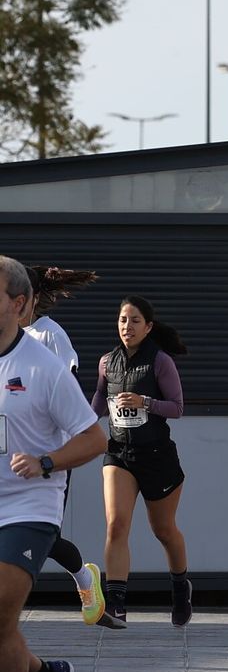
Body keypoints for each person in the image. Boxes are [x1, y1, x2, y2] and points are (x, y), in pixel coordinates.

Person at [0, 255, 108, 672]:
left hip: (28, 505)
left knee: (0, 614)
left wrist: (46, 461)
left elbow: (93, 438)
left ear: (18, 303)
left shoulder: (42, 366)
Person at [92, 295, 191, 627]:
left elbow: (177, 407)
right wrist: (81, 423)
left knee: (163, 530)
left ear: (148, 327)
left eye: (135, 321)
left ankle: (180, 587)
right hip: (119, 453)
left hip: (156, 456)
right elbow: (100, 399)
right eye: (123, 320)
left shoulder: (161, 362)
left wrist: (144, 402)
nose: (127, 326)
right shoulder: (107, 362)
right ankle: (116, 605)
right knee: (116, 525)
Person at [20, 265, 111, 628]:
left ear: (30, 298)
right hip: (9, 452)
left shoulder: (49, 335)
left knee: (42, 534)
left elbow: (65, 395)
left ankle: (86, 579)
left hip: (48, 453)